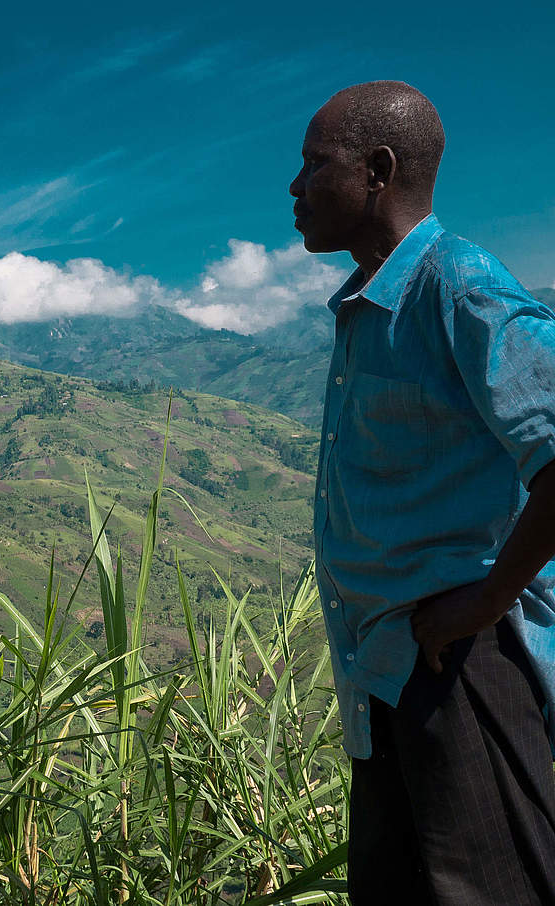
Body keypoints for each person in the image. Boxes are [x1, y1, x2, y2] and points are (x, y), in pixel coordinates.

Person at [289, 80, 555, 904]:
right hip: (390, 670)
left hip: (465, 666)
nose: (294, 188)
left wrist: (483, 605)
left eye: (312, 165)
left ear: (377, 170)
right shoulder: (372, 307)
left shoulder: (459, 286)